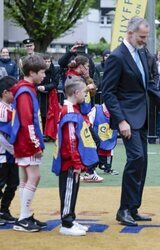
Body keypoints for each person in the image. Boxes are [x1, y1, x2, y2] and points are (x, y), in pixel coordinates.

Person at [102, 16, 160, 227]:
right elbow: (108, 93)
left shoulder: (142, 53)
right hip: (127, 119)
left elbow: (149, 86)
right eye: (142, 37)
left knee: (142, 162)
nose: (145, 41)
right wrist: (121, 120)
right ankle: (123, 209)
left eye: (146, 37)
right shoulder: (117, 57)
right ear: (130, 33)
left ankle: (133, 208)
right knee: (135, 159)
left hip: (142, 118)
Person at [52, 76, 98, 236]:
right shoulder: (70, 111)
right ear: (77, 93)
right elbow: (71, 141)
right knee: (68, 190)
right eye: (84, 92)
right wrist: (77, 162)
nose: (85, 95)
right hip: (69, 162)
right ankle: (66, 222)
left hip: (72, 160)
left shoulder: (73, 108)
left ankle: (71, 217)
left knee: (73, 189)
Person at [10, 55, 47, 232]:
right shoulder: (25, 91)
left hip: (22, 140)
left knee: (25, 178)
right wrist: (36, 144)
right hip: (26, 140)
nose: (44, 76)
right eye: (41, 72)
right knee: (34, 177)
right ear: (31, 72)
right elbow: (27, 121)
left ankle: (24, 216)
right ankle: (23, 218)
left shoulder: (25, 89)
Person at [0, 76, 19, 226]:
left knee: (13, 183)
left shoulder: (12, 108)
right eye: (14, 91)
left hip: (11, 154)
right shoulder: (1, 110)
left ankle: (4, 211)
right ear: (5, 92)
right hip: (2, 154)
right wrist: (11, 149)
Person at [88, 103, 119, 175]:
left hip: (108, 135)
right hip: (96, 137)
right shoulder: (96, 110)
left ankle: (108, 167)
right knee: (94, 148)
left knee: (110, 146)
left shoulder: (116, 110)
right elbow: (89, 122)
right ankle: (91, 169)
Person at [36, 54, 60, 140]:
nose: (47, 63)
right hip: (39, 95)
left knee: (49, 114)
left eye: (49, 61)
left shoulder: (55, 70)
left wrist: (45, 87)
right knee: (40, 113)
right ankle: (41, 133)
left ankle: (48, 134)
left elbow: (55, 83)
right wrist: (38, 87)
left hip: (51, 96)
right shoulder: (38, 70)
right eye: (45, 61)